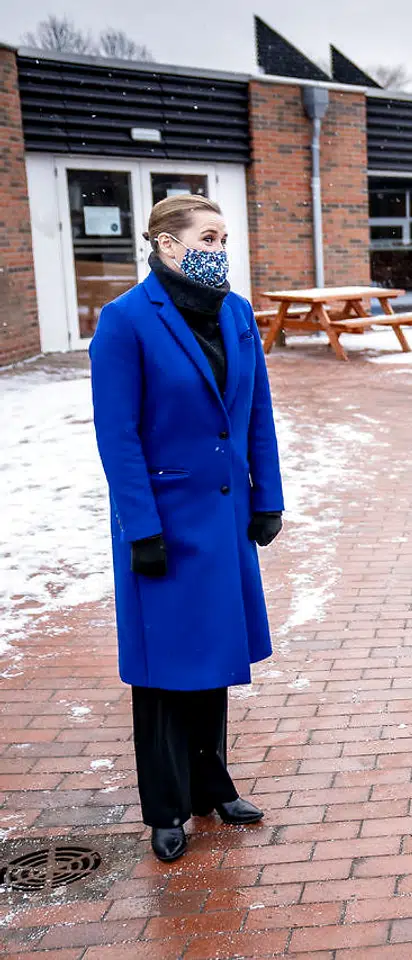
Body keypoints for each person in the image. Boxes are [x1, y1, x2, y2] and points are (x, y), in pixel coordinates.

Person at [89, 194, 283, 863]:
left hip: (224, 520)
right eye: (208, 235)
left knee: (213, 658)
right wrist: (140, 525)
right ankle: (167, 807)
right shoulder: (125, 322)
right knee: (166, 670)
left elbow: (256, 412)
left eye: (224, 236)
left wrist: (269, 496)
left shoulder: (235, 312)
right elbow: (118, 437)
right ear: (168, 245)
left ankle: (212, 786)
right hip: (164, 526)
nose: (219, 248)